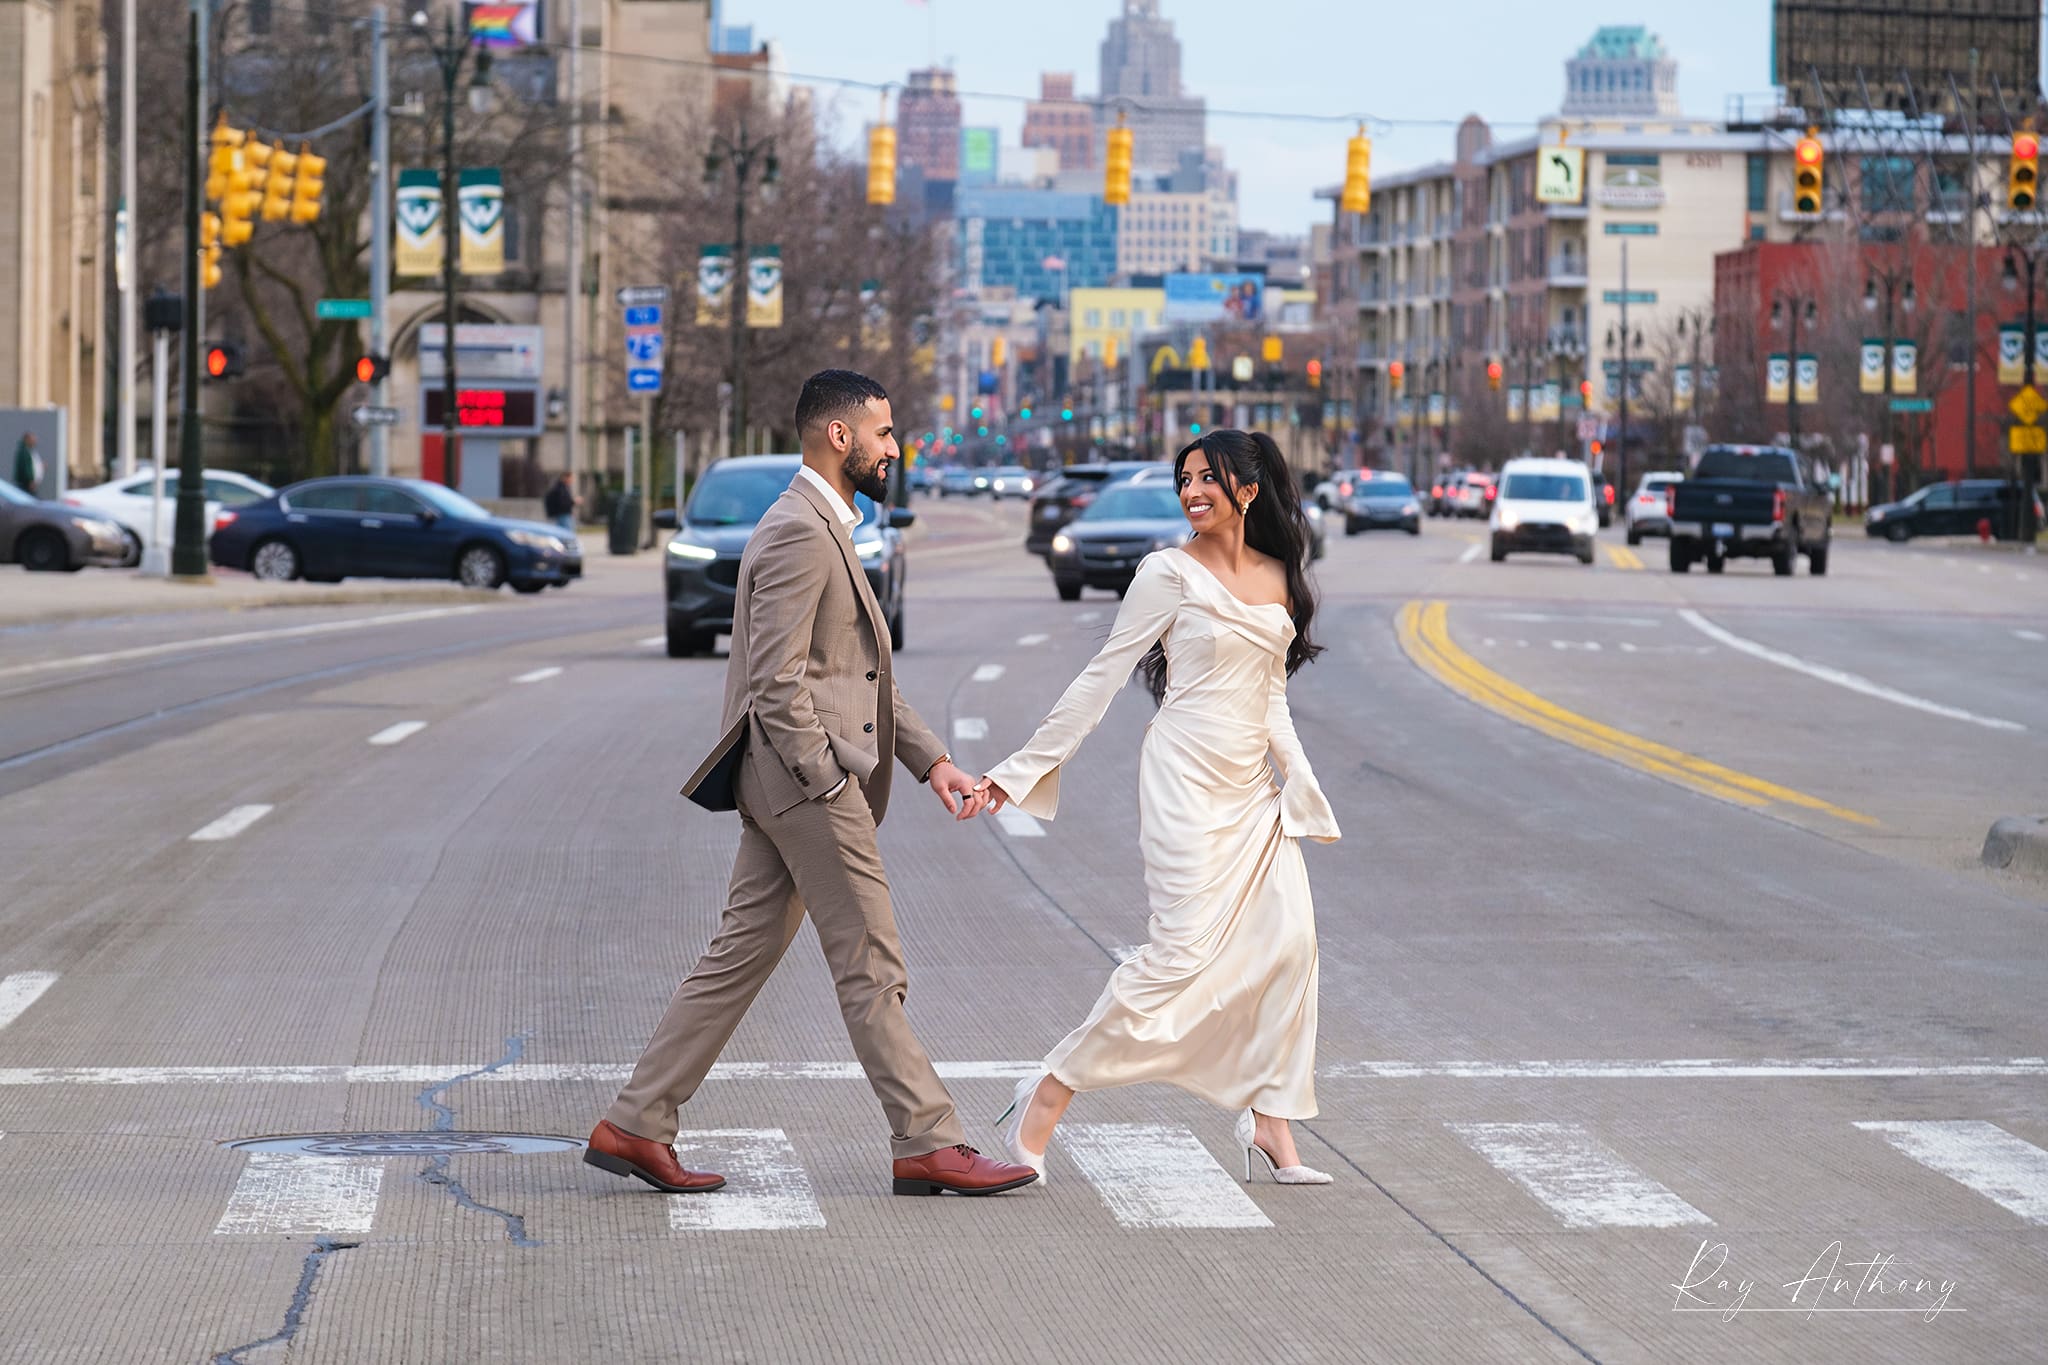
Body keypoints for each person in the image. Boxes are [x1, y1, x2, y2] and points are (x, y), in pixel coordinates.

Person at [587, 370, 1038, 1199]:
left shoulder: (826, 523)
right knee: (870, 960)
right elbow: (777, 679)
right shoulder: (799, 530)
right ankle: (927, 1138)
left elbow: (854, 676)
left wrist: (931, 760)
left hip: (786, 780)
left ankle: (636, 1120)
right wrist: (825, 782)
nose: (893, 448)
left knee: (738, 955)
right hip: (805, 785)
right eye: (884, 432)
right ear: (841, 437)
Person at [976, 429, 1341, 1186]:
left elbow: (1271, 696)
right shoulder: (1166, 573)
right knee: (1176, 958)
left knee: (1292, 945)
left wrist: (1300, 781)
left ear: (1247, 487)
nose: (1191, 491)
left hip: (1252, 791)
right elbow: (1102, 676)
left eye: (1207, 477)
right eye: (1184, 479)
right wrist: (1020, 771)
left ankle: (1271, 1120)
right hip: (1181, 778)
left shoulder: (1279, 577)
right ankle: (1047, 1090)